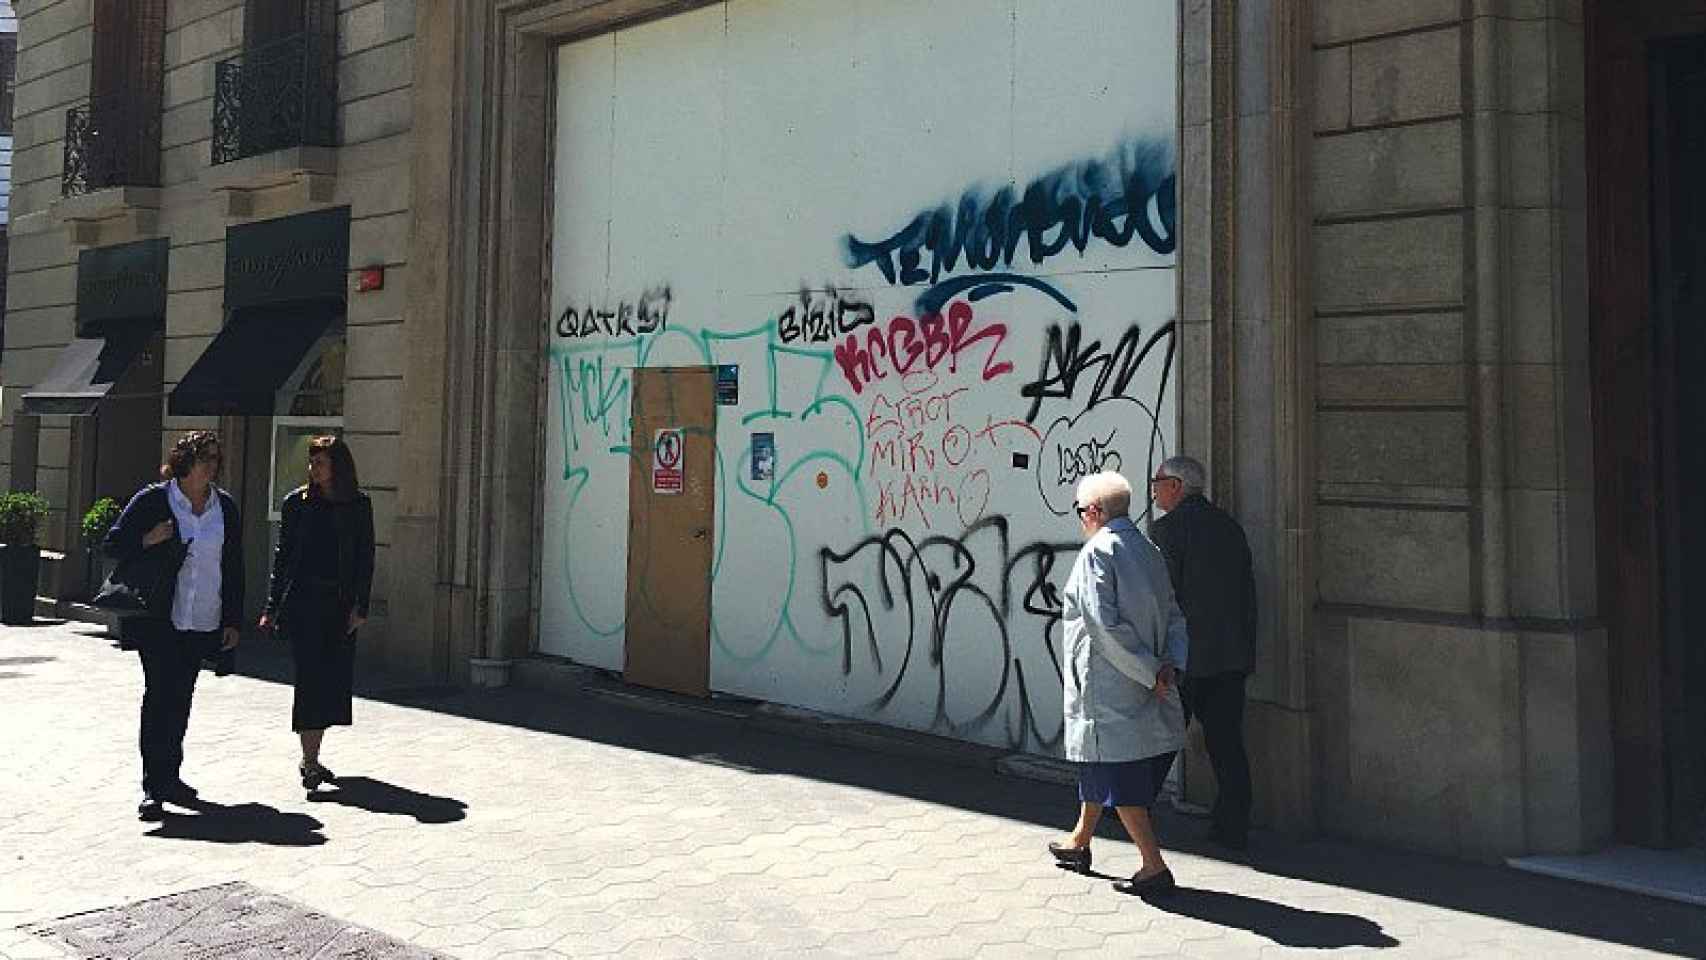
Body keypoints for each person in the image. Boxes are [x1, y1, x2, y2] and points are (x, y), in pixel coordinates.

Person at [1048, 471, 1189, 897]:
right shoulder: (1148, 549)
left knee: (1118, 771)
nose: (1079, 519)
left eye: (1079, 511)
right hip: (1142, 679)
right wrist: (1169, 666)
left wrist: (1150, 670)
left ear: (1094, 511)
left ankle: (1152, 866)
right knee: (1100, 762)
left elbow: (1102, 625)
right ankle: (1079, 840)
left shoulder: (1098, 553)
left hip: (1108, 681)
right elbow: (1174, 615)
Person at [104, 430, 244, 821]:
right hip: (160, 618)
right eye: (204, 458)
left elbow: (233, 566)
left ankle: (171, 775)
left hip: (203, 617)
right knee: (159, 696)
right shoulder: (155, 500)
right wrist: (148, 539)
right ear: (185, 462)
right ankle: (153, 786)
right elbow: (112, 544)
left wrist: (232, 619)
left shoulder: (224, 508)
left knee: (181, 697)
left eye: (216, 459)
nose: (211, 466)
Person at [1146, 455, 1257, 850]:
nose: (1154, 488)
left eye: (1158, 481)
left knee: (1157, 736)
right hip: (1230, 656)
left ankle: (1130, 810)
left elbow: (1160, 598)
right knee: (1226, 743)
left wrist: (1157, 654)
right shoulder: (1229, 528)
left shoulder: (1166, 531)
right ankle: (1233, 825)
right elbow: (1247, 594)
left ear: (1176, 486)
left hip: (1186, 657)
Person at [259, 435, 375, 792]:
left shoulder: (357, 504)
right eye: (312, 462)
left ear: (337, 465)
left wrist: (361, 606)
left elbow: (365, 558)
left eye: (320, 462)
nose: (313, 469)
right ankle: (309, 762)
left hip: (340, 606)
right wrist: (271, 606)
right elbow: (283, 557)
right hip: (305, 603)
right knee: (310, 680)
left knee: (332, 682)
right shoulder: (297, 503)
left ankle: (314, 753)